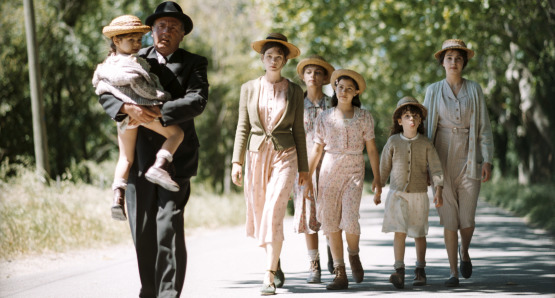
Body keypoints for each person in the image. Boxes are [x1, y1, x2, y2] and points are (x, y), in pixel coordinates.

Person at [98, 2, 209, 297]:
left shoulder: (194, 63)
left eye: (174, 27)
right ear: (151, 31)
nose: (166, 31)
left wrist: (155, 111)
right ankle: (149, 291)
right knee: (143, 230)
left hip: (176, 157)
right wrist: (125, 106)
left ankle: (169, 294)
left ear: (183, 33)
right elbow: (105, 87)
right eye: (161, 25)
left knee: (168, 226)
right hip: (138, 159)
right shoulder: (135, 57)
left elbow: (197, 101)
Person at [231, 33, 309, 295]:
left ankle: (268, 276)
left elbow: (299, 130)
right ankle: (274, 260)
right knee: (260, 210)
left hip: (286, 154)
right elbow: (242, 127)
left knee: (274, 208)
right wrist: (236, 161)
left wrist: (304, 168)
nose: (273, 61)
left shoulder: (296, 91)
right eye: (269, 56)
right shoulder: (249, 88)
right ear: (262, 59)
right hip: (255, 156)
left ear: (285, 60)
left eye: (279, 56)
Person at [93, 14, 184, 221]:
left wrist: (124, 109)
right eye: (131, 40)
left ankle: (117, 198)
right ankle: (159, 166)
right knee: (177, 133)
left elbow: (103, 88)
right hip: (144, 112)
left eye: (139, 40)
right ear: (116, 40)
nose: (137, 44)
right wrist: (159, 98)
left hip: (123, 119)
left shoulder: (107, 65)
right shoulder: (132, 65)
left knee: (125, 157)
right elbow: (143, 87)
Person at [423, 39, 493, 287]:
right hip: (440, 156)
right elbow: (425, 129)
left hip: (470, 154)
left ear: (464, 63)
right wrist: (426, 167)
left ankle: (465, 251)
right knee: (448, 218)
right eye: (449, 58)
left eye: (458, 58)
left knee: (468, 219)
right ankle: (453, 272)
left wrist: (487, 160)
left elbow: (484, 128)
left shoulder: (474, 89)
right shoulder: (432, 91)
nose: (454, 62)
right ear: (442, 62)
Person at [306, 69, 382, 290]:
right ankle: (340, 271)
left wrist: (377, 178)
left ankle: (354, 253)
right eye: (341, 88)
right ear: (335, 89)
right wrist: (308, 175)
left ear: (356, 92)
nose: (345, 92)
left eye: (350, 89)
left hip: (354, 172)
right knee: (330, 222)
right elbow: (317, 149)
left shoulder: (364, 116)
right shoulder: (324, 117)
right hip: (329, 172)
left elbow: (372, 149)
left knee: (349, 219)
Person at [379, 96, 444, 289]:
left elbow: (436, 169)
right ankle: (399, 270)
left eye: (415, 116)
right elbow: (384, 167)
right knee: (399, 232)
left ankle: (420, 269)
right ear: (399, 121)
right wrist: (377, 189)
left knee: (419, 233)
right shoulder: (392, 142)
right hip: (397, 194)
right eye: (407, 116)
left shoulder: (425, 143)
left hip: (418, 195)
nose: (411, 120)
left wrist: (438, 190)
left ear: (420, 120)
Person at [293, 55, 335, 283]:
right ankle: (313, 264)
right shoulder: (296, 103)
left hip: (328, 163)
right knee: (308, 215)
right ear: (302, 76)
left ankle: (333, 250)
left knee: (329, 212)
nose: (313, 76)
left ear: (324, 78)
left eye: (318, 72)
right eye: (308, 72)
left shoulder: (332, 103)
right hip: (303, 164)